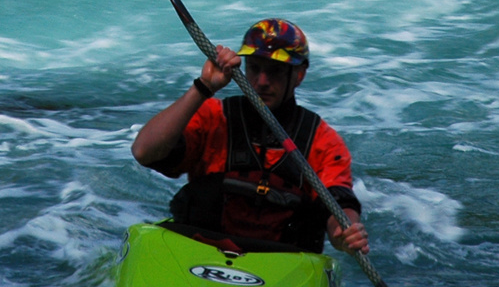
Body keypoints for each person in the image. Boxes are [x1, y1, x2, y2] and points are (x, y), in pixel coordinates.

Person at [132, 18, 369, 257]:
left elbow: (340, 206)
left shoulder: (323, 141)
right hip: (201, 252)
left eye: (274, 71)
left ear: (299, 74)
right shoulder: (213, 117)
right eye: (254, 68)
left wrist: (345, 232)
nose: (262, 82)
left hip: (282, 263)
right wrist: (203, 86)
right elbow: (144, 151)